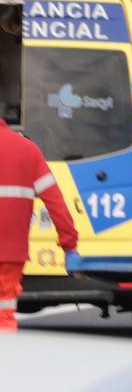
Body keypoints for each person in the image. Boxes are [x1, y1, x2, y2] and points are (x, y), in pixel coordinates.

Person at [1, 118, 79, 332]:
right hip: (11, 254)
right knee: (4, 312)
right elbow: (56, 203)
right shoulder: (28, 150)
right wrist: (69, 244)